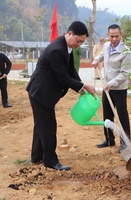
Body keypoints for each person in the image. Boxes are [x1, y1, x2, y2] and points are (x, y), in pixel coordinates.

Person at [26, 21, 96, 171]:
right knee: (49, 127)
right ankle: (51, 161)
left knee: (41, 125)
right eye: (78, 40)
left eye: (82, 42)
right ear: (69, 33)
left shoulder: (67, 47)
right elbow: (63, 78)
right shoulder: (56, 50)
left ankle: (36, 156)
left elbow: (71, 71)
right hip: (40, 92)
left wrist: (80, 84)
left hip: (43, 91)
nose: (79, 44)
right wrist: (83, 87)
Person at [91, 24, 131, 151]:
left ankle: (125, 142)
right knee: (107, 114)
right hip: (107, 86)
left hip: (119, 88)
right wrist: (96, 59)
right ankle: (109, 139)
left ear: (121, 35)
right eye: (111, 36)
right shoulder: (106, 46)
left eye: (116, 36)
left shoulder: (126, 52)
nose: (114, 39)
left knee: (121, 115)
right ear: (108, 36)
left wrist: (111, 84)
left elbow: (124, 74)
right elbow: (102, 54)